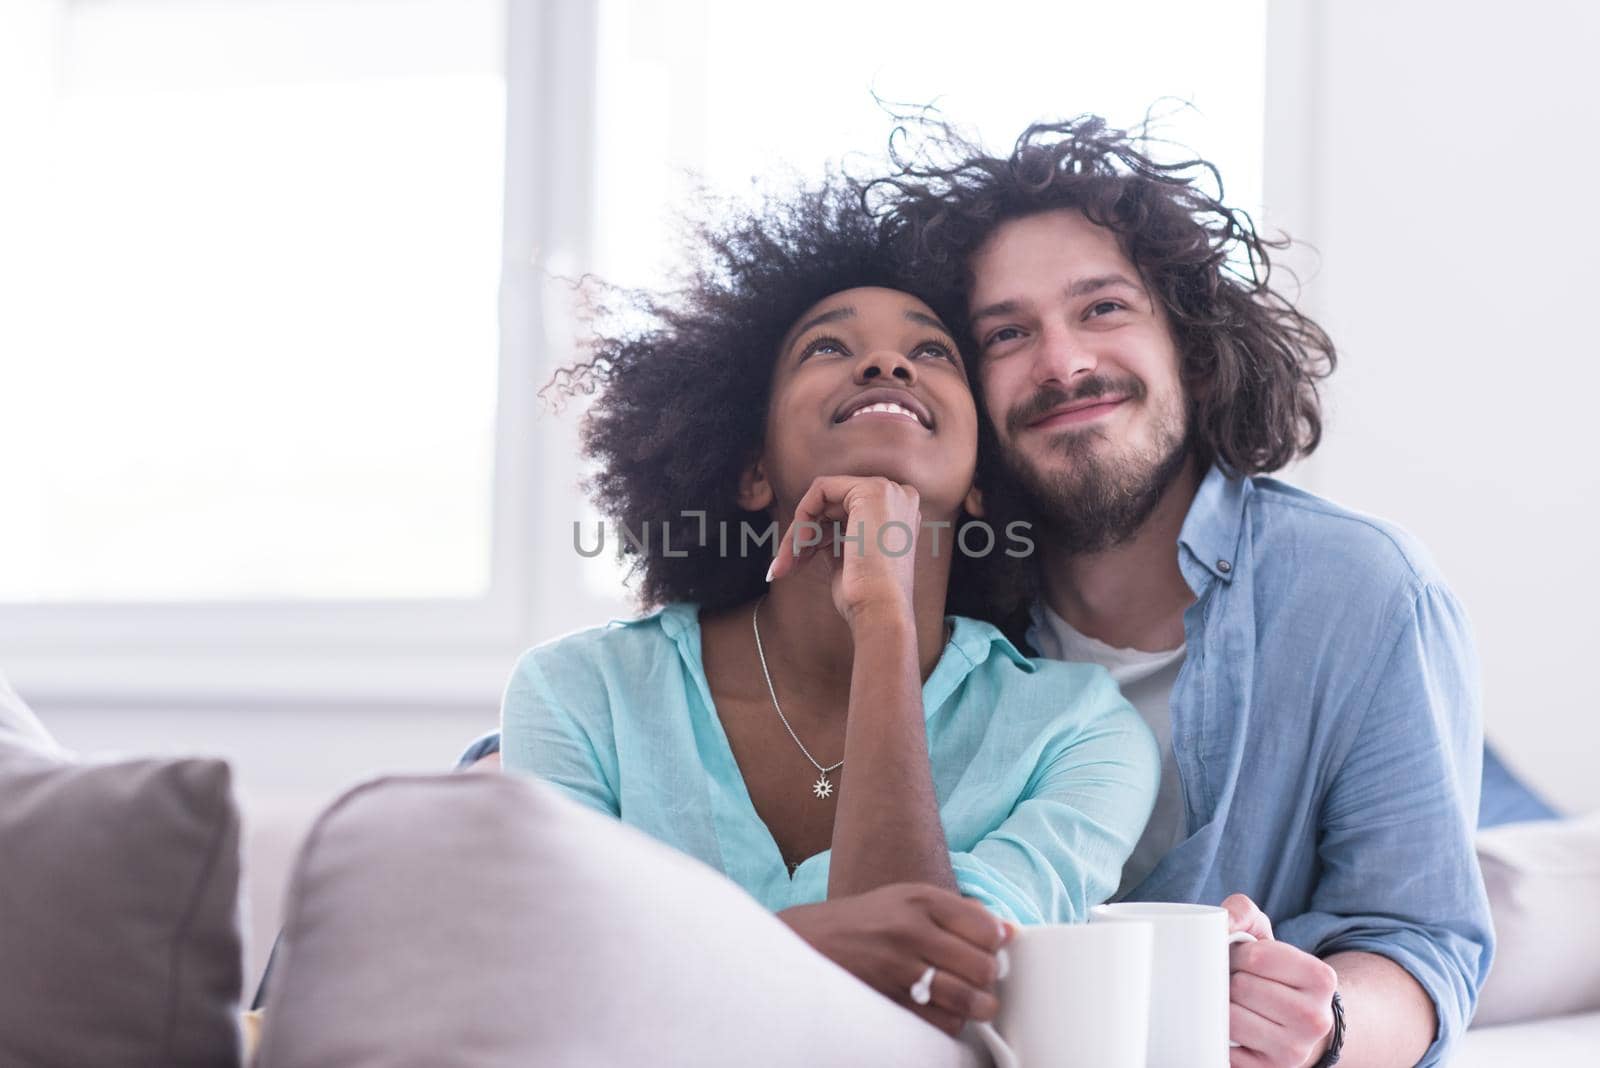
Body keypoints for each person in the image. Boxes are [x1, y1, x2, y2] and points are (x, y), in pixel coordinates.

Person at [866, 116, 1493, 1068]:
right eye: (1006, 333)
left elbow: (1426, 941)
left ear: (1193, 348)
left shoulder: (1363, 594)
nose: (1063, 363)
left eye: (1104, 308)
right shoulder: (936, 618)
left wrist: (1325, 1028)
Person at [498, 183, 1159, 1038]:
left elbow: (922, 1000)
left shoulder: (1079, 734)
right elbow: (545, 994)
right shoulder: (580, 693)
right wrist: (803, 943)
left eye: (933, 352)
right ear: (753, 471)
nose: (888, 367)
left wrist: (883, 618)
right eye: (827, 348)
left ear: (984, 486)